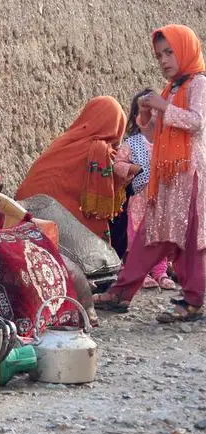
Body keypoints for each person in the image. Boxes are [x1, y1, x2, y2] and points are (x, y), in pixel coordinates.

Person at [94, 24, 206, 322]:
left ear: (186, 50)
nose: (164, 60)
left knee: (190, 237)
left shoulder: (198, 83)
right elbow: (162, 136)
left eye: (170, 52)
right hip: (168, 176)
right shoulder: (173, 88)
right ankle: (121, 293)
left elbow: (195, 123)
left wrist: (161, 105)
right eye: (159, 56)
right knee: (150, 235)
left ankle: (193, 300)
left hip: (189, 174)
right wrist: (147, 119)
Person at [15, 96, 127, 241]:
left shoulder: (66, 140)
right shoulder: (101, 153)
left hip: (22, 206)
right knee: (94, 247)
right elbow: (111, 194)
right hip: (51, 215)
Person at [113, 88, 177, 290]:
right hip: (140, 200)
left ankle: (160, 272)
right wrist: (131, 169)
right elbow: (117, 164)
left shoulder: (168, 143)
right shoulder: (131, 143)